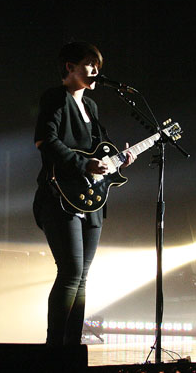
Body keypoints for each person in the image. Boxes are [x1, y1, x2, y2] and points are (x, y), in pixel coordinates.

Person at [33, 42, 135, 346]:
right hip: (59, 196)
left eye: (98, 66)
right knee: (70, 272)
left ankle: (72, 345)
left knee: (83, 276)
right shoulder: (56, 98)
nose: (95, 71)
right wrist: (82, 163)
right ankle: (55, 346)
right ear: (70, 67)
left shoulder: (91, 107)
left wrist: (121, 158)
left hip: (90, 200)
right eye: (89, 64)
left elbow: (100, 152)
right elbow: (44, 140)